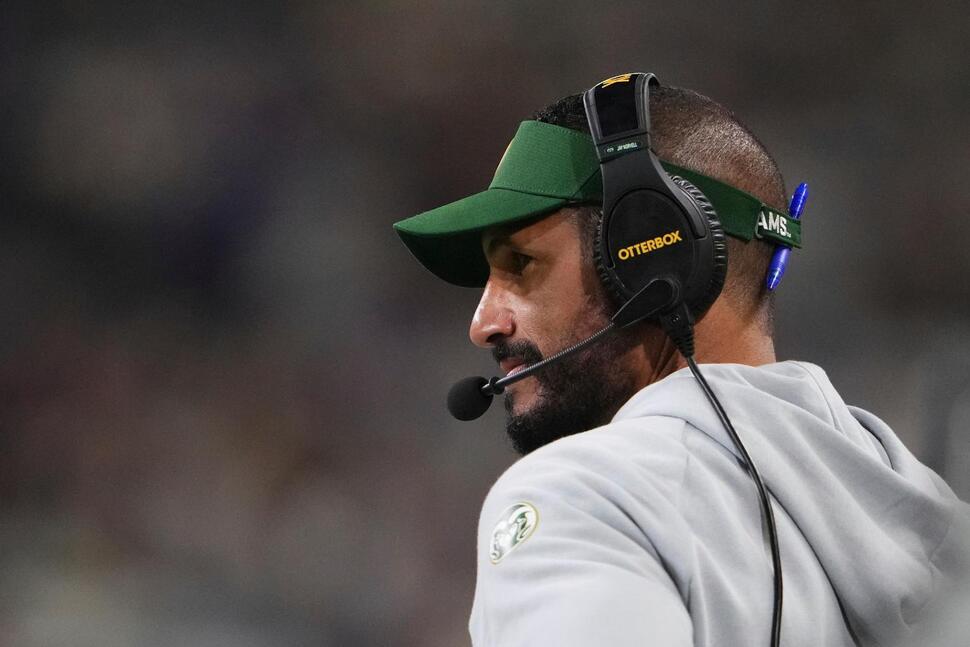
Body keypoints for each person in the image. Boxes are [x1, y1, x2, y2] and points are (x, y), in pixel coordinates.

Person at [393, 76, 970, 646]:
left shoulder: (582, 497)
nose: (483, 325)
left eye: (520, 264)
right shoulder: (939, 520)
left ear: (650, 259)